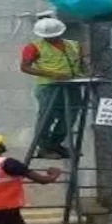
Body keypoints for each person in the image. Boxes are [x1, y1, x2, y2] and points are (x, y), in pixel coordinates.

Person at [20, 17, 85, 159]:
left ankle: (55, 144)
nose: (51, 39)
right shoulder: (34, 47)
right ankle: (43, 147)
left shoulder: (74, 45)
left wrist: (87, 74)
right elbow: (25, 67)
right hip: (48, 86)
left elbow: (81, 65)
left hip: (72, 85)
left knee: (70, 116)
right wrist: (52, 74)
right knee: (47, 117)